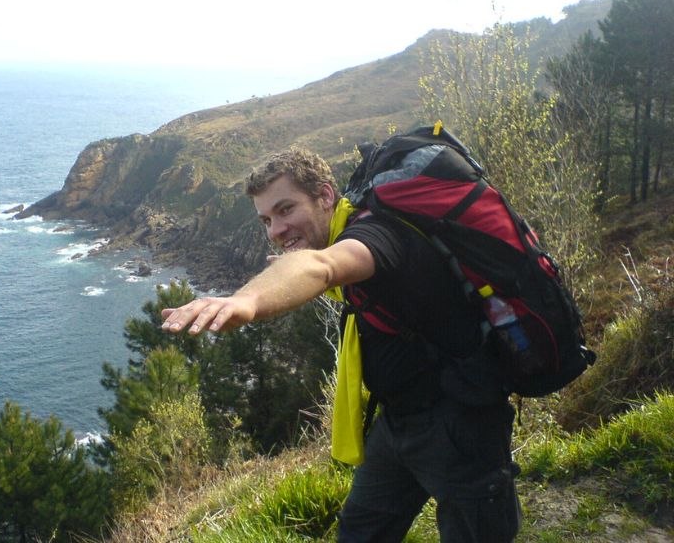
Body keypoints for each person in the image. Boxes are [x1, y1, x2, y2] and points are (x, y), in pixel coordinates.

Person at [161, 147, 521, 542]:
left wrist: (245, 301)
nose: (276, 230)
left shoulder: (376, 234)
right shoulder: (348, 227)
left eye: (286, 210)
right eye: (266, 219)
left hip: (462, 423)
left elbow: (323, 268)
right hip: (398, 422)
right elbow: (327, 276)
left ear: (326, 196)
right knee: (358, 533)